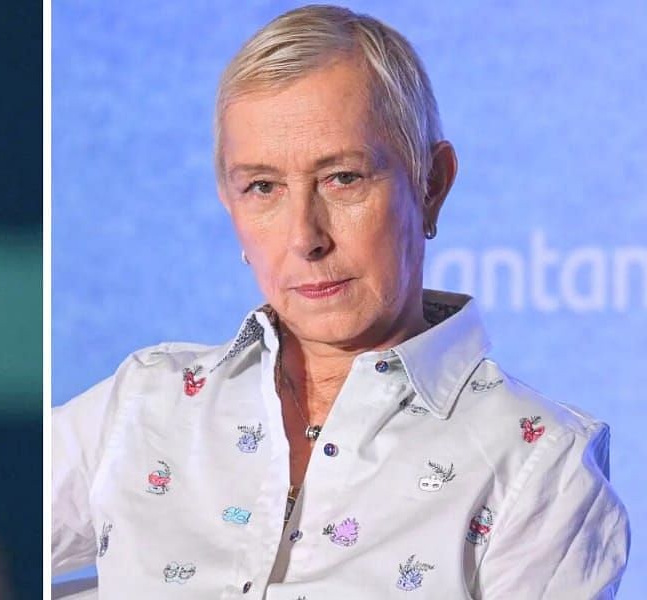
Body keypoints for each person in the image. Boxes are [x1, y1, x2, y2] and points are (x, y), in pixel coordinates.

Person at [51, 5, 629, 599]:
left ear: (431, 185)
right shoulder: (142, 403)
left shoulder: (540, 469)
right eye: (263, 187)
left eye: (343, 178)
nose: (305, 236)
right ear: (229, 202)